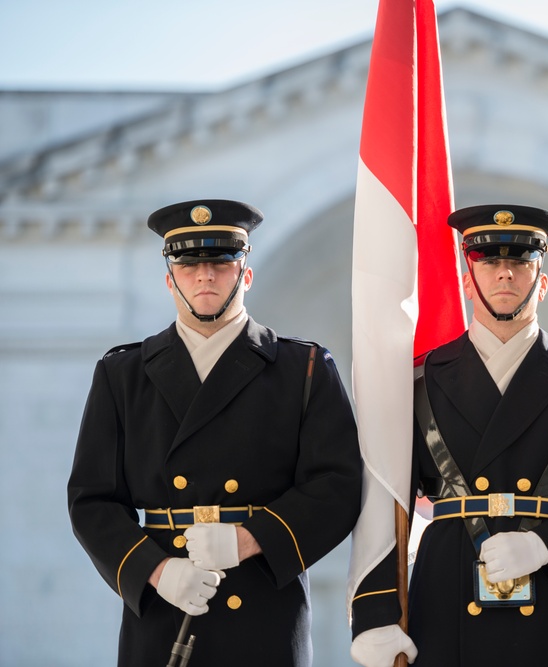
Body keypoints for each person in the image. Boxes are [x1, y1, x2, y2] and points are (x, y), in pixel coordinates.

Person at [348, 204, 548, 667]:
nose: (505, 274)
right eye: (490, 262)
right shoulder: (417, 380)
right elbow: (383, 499)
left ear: (542, 283)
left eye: (521, 262)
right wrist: (374, 614)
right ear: (468, 281)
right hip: (446, 597)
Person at [67, 199, 363, 666]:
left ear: (245, 275)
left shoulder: (304, 369)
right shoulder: (122, 374)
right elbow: (91, 499)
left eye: (220, 264)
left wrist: (248, 539)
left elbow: (338, 486)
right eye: (189, 266)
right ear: (170, 281)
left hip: (265, 609)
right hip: (165, 607)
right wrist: (157, 571)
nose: (204, 276)